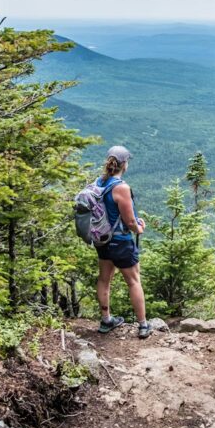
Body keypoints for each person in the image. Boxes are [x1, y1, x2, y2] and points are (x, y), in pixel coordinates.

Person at [94, 145, 152, 339]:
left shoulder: (99, 182)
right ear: (124, 164)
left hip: (102, 240)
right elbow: (129, 222)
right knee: (134, 281)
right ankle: (143, 325)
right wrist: (140, 228)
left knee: (104, 279)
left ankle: (106, 320)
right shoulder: (121, 187)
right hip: (120, 241)